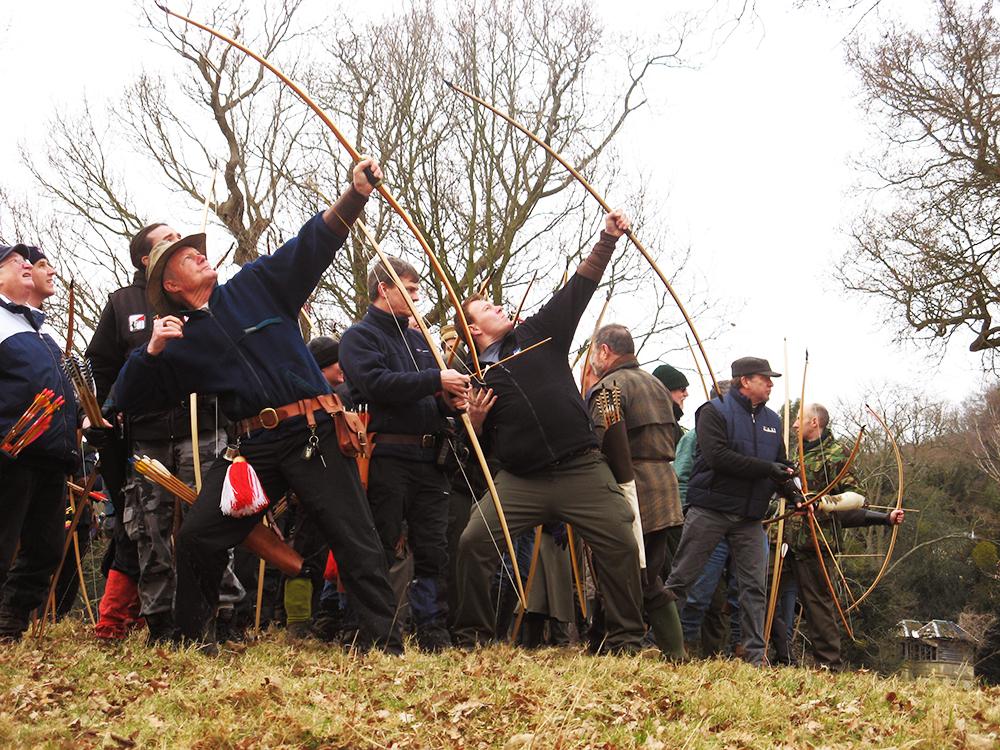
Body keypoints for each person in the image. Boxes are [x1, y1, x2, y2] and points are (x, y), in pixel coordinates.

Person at [112, 158, 401, 654]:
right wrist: (152, 351)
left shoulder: (257, 285)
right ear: (171, 287)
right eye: (185, 258)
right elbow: (126, 399)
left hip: (313, 429)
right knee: (200, 535)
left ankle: (385, 646)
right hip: (255, 449)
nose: (199, 255)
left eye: (196, 250)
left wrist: (354, 195)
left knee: (355, 538)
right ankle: (191, 641)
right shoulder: (177, 342)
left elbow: (310, 247)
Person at [452, 210, 646, 654]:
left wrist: (608, 237)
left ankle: (627, 640)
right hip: (521, 480)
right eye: (486, 307)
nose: (499, 306)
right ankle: (471, 640)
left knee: (619, 535)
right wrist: (477, 426)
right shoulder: (468, 372)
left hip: (581, 469)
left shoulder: (540, 332)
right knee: (473, 540)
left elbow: (578, 288)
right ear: (473, 329)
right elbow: (474, 448)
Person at [87, 224, 243, 644]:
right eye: (167, 241)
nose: (180, 245)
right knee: (149, 528)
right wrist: (106, 411)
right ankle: (160, 620)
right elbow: (101, 365)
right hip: (148, 433)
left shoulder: (203, 296)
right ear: (146, 259)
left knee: (209, 522)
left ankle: (222, 613)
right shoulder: (123, 303)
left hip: (202, 428)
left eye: (182, 240)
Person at [340, 256, 470, 650]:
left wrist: (451, 400)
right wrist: (435, 378)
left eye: (417, 289)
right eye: (410, 289)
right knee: (381, 543)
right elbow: (375, 384)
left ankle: (432, 629)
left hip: (430, 458)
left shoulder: (418, 340)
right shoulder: (360, 337)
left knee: (433, 547)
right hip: (388, 457)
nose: (417, 297)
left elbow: (432, 396)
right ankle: (372, 629)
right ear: (385, 289)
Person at [663, 357, 792, 665]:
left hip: (750, 518)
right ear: (745, 381)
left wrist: (795, 493)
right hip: (710, 511)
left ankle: (754, 656)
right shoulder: (712, 412)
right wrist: (768, 469)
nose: (771, 383)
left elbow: (781, 468)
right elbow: (718, 457)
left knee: (753, 588)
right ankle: (660, 642)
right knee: (682, 578)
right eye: (765, 378)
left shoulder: (773, 421)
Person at [587, 323, 685, 658]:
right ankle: (602, 644)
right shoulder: (656, 384)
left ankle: (640, 649)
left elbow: (601, 441)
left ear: (604, 351)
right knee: (645, 576)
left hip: (634, 489)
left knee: (630, 576)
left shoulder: (611, 386)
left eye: (593, 353)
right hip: (665, 489)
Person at [783, 402, 904, 669]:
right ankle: (779, 658)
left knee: (817, 605)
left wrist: (821, 502)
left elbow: (858, 497)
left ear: (814, 422)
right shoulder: (795, 452)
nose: (793, 424)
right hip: (785, 540)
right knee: (771, 597)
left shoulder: (836, 453)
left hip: (816, 541)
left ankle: (829, 665)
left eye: (798, 419)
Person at [0, 244, 80, 640]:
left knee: (47, 546)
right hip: (9, 453)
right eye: (18, 262)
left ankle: (11, 619)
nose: (28, 266)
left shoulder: (42, 328)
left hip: (50, 453)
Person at [652, 363, 688, 444]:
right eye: (682, 389)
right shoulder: (664, 424)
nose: (686, 394)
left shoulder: (668, 421)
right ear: (666, 391)